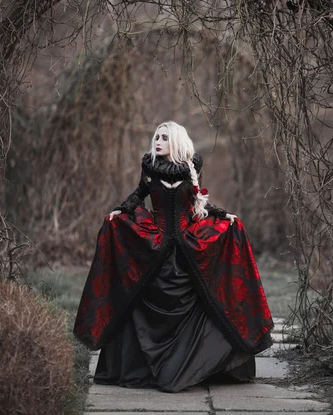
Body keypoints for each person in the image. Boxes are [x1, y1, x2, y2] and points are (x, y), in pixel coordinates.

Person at [73, 121, 273, 393]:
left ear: (175, 141)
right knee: (139, 295)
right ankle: (146, 367)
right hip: (155, 244)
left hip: (186, 244)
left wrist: (222, 214)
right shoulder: (149, 167)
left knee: (208, 298)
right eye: (156, 136)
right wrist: (120, 211)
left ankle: (198, 364)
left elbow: (197, 202)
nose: (157, 140)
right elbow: (139, 195)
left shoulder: (192, 167)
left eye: (164, 137)